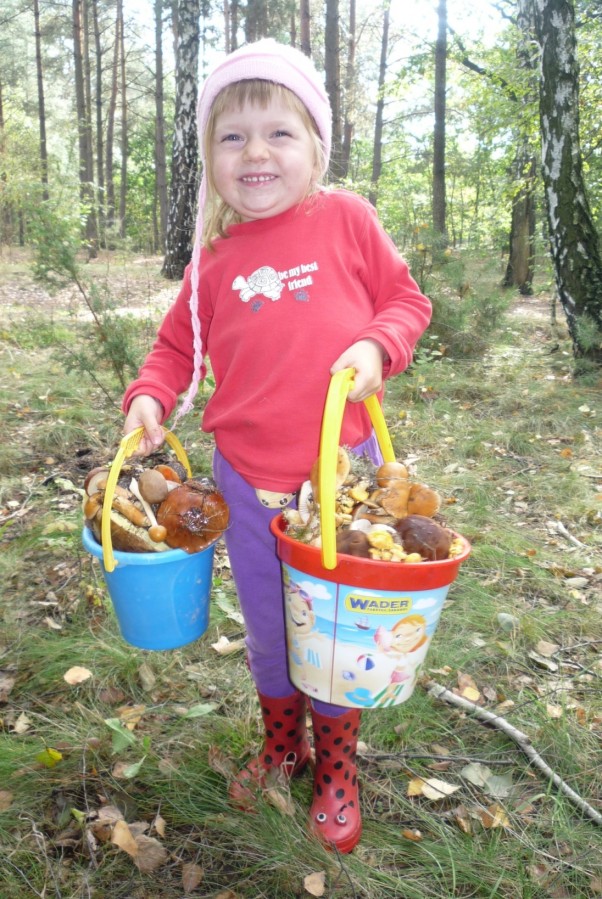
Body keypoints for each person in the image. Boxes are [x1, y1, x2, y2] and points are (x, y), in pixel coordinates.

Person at [122, 38, 432, 854]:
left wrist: (376, 345)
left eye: (278, 133)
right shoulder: (215, 260)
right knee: (269, 626)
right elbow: (173, 349)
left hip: (341, 484)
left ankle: (336, 765)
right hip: (246, 482)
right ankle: (279, 741)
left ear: (316, 147)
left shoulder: (345, 219)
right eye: (232, 137)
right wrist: (150, 396)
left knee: (337, 631)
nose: (255, 152)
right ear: (211, 159)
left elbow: (405, 300)